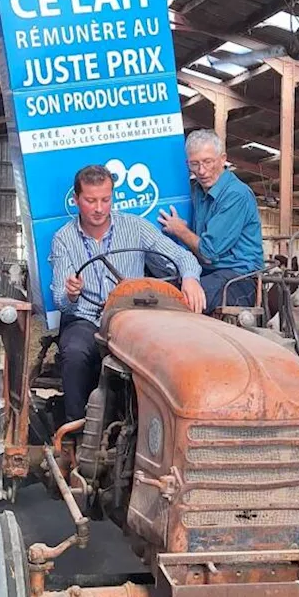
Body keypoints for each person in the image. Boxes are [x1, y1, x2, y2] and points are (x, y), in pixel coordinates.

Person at [50, 164, 206, 424]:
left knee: (166, 356)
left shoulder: (136, 227)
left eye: (105, 199)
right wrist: (72, 293)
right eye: (90, 200)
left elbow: (181, 256)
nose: (99, 208)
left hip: (134, 319)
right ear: (76, 200)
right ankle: (75, 430)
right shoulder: (63, 239)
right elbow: (61, 302)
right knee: (75, 353)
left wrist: (190, 277)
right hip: (87, 319)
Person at [157, 129, 263, 312]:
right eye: (195, 164)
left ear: (223, 159)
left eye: (208, 162)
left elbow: (208, 252)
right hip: (207, 272)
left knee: (177, 303)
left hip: (238, 278)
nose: (202, 171)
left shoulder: (236, 195)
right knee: (156, 291)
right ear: (187, 164)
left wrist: (180, 230)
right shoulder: (197, 190)